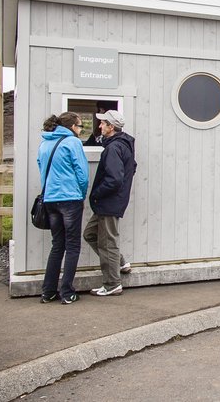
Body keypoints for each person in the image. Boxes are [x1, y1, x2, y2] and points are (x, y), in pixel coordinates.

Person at [38, 112, 89, 305]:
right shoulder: (72, 143)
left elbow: (41, 170)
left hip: (50, 200)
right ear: (72, 127)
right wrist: (81, 194)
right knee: (73, 245)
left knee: (57, 245)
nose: (80, 130)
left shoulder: (44, 144)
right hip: (70, 198)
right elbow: (82, 174)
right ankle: (67, 292)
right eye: (79, 126)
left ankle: (48, 291)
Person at [84, 110, 137, 297]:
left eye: (103, 123)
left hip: (109, 202)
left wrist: (96, 193)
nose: (100, 126)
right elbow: (133, 167)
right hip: (111, 201)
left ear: (111, 127)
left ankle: (112, 283)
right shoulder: (124, 144)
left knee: (108, 243)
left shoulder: (114, 148)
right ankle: (120, 263)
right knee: (90, 234)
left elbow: (114, 179)